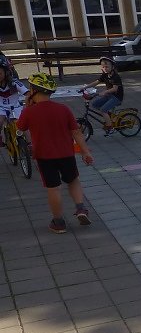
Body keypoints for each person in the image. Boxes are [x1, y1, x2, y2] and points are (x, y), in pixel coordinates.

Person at [16, 73, 94, 234]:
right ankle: (80, 208)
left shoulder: (30, 112)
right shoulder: (63, 109)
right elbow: (76, 132)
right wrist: (86, 152)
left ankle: (58, 222)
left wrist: (27, 107)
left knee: (53, 188)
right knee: (73, 180)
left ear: (33, 91)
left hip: (44, 156)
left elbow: (21, 128)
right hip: (66, 153)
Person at [81, 56, 124, 135]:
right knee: (95, 104)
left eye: (107, 67)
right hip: (109, 95)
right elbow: (96, 82)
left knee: (103, 110)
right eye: (103, 67)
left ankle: (110, 128)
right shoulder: (105, 75)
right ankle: (109, 118)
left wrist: (105, 92)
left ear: (113, 67)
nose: (105, 68)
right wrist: (85, 87)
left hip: (116, 97)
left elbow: (115, 89)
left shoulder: (115, 76)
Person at [0, 54, 27, 130]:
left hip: (15, 107)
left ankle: (29, 139)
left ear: (6, 72)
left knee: (22, 127)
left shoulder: (14, 83)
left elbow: (28, 93)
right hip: (1, 108)